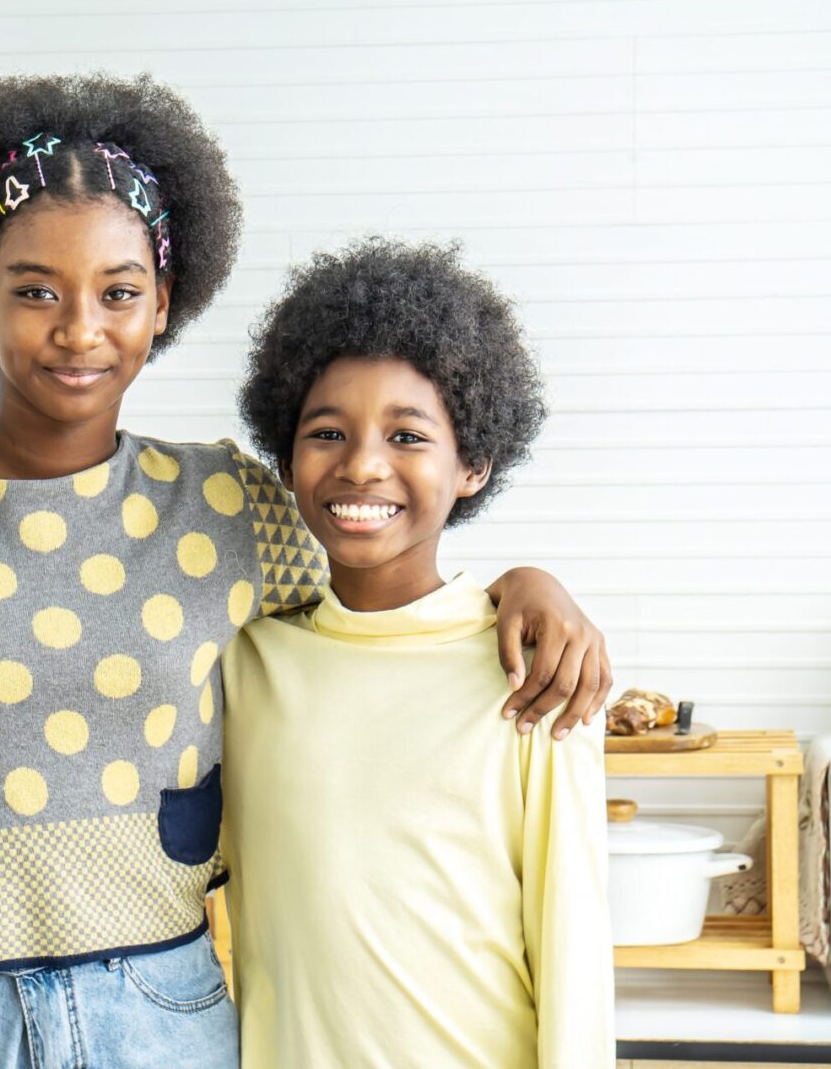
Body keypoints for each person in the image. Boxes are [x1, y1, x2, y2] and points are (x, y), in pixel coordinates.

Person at [0, 72, 611, 1069]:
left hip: (169, 1018)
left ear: (163, 306)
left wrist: (527, 582)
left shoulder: (228, 511)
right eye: (33, 291)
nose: (78, 329)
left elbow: (381, 546)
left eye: (118, 292)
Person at [223, 239, 613, 1068]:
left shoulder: (531, 679)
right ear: (287, 458)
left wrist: (530, 580)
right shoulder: (246, 664)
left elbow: (574, 953)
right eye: (326, 431)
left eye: (408, 436)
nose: (362, 464)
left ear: (472, 464)